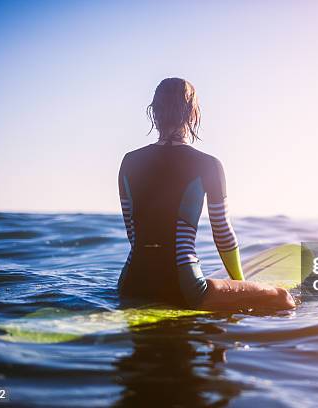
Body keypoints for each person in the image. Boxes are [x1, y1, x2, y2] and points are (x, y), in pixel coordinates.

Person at [117, 77, 295, 311]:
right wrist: (240, 283)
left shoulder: (129, 162)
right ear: (193, 114)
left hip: (132, 283)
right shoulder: (208, 165)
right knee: (282, 298)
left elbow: (134, 233)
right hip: (183, 285)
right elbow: (222, 232)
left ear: (154, 113)